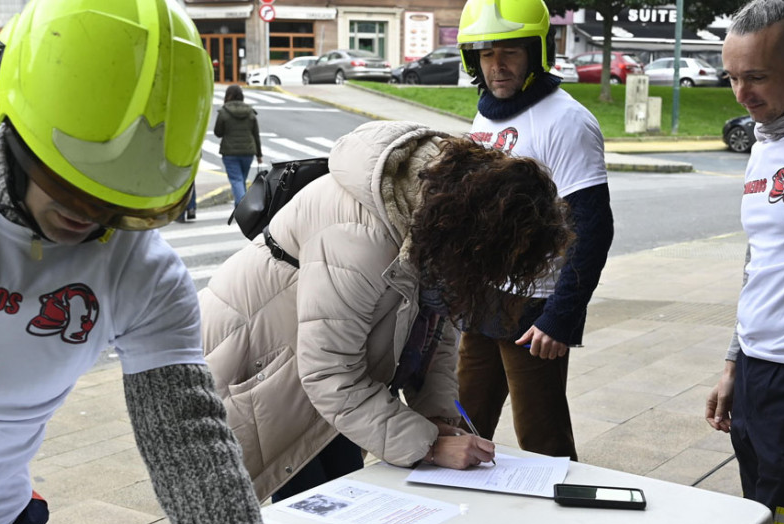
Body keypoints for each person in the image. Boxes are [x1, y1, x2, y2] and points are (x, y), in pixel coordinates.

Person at [0, 1, 267, 524]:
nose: (87, 220)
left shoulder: (147, 277)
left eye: (122, 207)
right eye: (67, 186)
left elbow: (189, 443)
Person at [198, 120, 575, 501]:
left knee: (342, 490)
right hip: (261, 365)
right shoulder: (359, 235)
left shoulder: (437, 216)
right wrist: (428, 445)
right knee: (307, 503)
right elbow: (328, 372)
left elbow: (436, 338)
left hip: (321, 373)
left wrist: (438, 421)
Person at [454, 0, 614, 460]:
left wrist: (560, 317)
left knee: (541, 438)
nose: (497, 66)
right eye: (486, 55)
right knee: (463, 419)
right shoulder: (487, 114)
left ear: (535, 52)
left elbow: (592, 227)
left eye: (510, 52)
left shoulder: (566, 120)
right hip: (484, 296)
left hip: (535, 304)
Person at [704, 0, 784, 524]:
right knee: (759, 516)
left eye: (755, 76)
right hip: (758, 372)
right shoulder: (766, 141)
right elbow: (760, 259)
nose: (741, 94)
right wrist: (735, 363)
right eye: (731, 77)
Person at [215, 84, 263, 206]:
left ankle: (242, 207)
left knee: (236, 180)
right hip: (248, 152)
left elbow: (218, 133)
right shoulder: (250, 112)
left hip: (230, 152)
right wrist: (259, 154)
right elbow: (255, 134)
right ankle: (243, 205)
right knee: (241, 180)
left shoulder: (224, 112)